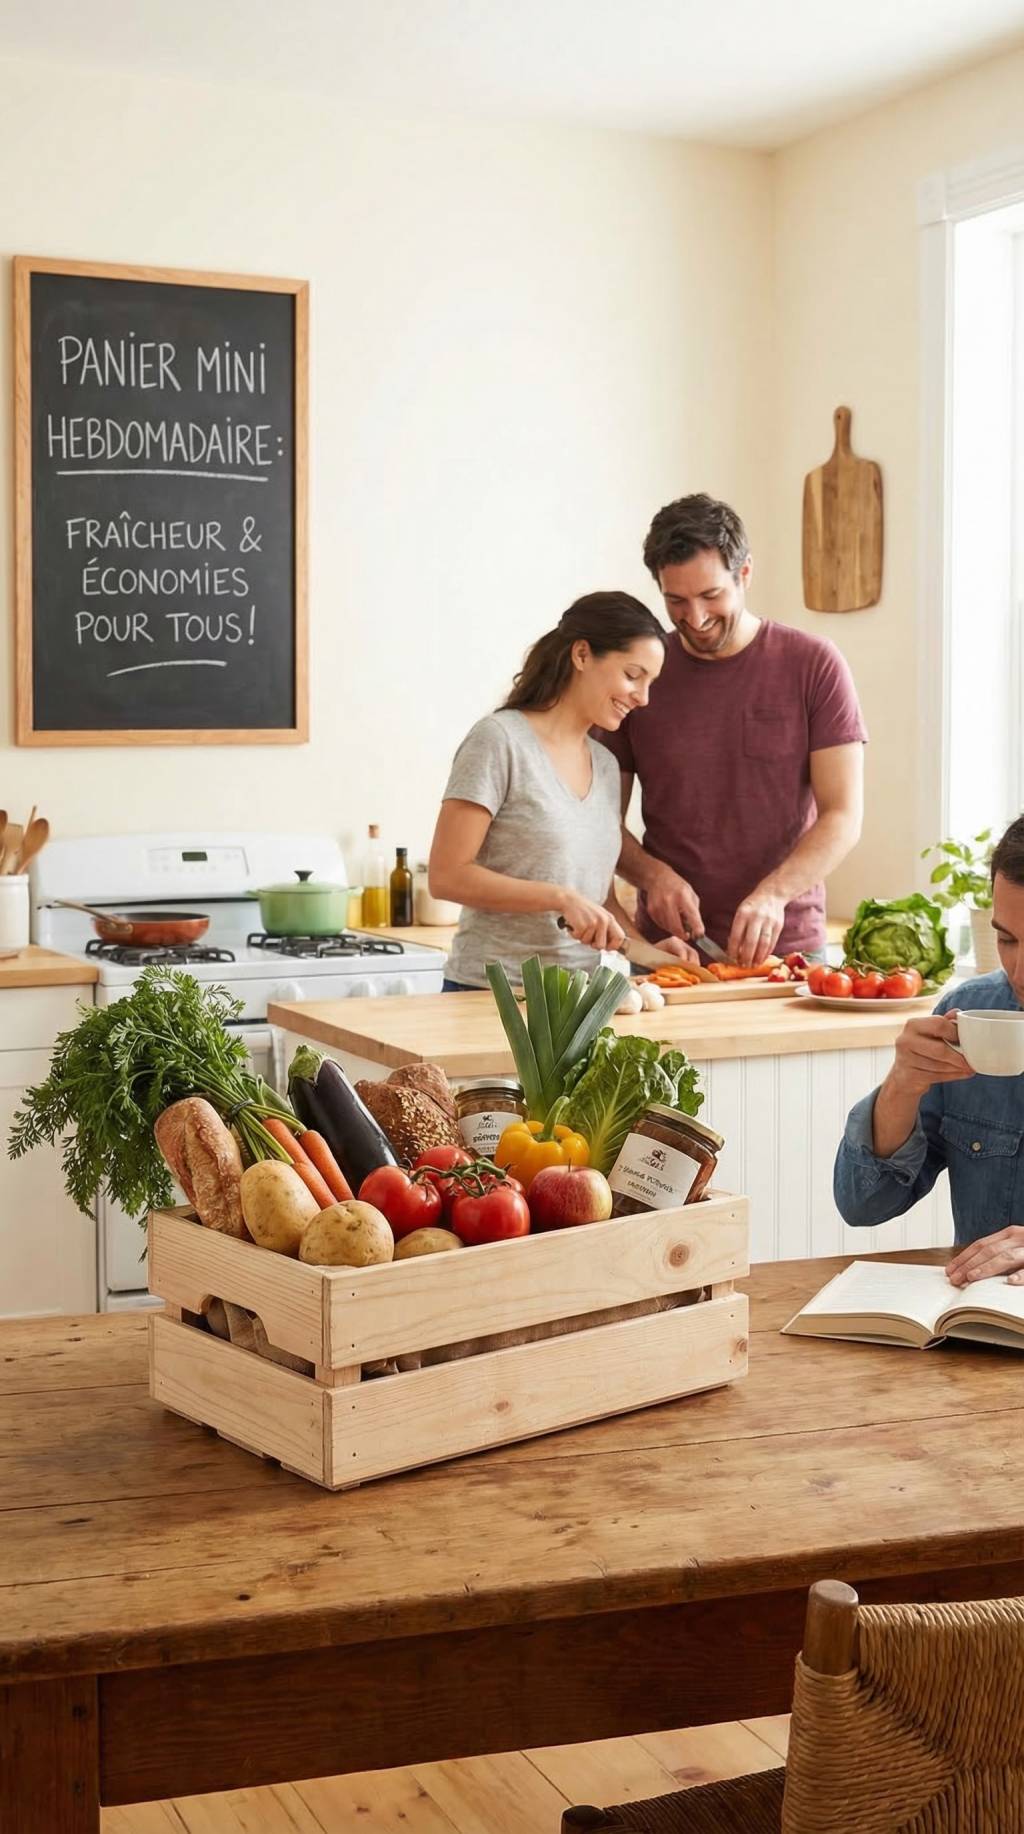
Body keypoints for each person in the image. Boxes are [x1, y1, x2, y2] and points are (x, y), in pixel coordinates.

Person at [600, 493, 867, 965]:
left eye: (711, 596)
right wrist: (652, 876)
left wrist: (774, 895)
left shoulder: (812, 664)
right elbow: (599, 823)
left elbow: (842, 815)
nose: (695, 619)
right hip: (669, 952)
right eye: (675, 601)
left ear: (744, 574)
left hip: (789, 950)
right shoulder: (639, 675)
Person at [429, 591, 680, 990]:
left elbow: (599, 901)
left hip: (578, 1003)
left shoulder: (606, 765)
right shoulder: (499, 741)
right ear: (581, 655)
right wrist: (559, 898)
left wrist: (649, 952)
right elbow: (447, 876)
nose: (643, 697)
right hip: (490, 996)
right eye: (633, 675)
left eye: (651, 683)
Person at [834, 815, 1024, 1287]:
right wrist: (902, 1086)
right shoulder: (971, 1013)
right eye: (1007, 939)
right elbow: (864, 1203)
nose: (1018, 973)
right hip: (980, 1332)